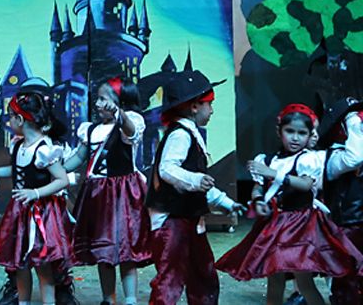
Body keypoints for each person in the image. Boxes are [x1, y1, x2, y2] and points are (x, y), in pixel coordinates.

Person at [216, 103, 362, 305]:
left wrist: (274, 174)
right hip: (274, 225)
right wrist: (258, 201)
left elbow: (305, 184)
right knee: (274, 280)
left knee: (304, 281)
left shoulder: (308, 159)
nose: (295, 138)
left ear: (310, 136)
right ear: (279, 131)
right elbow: (259, 187)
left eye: (301, 133)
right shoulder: (267, 160)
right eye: (290, 131)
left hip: (300, 225)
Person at [144, 70, 245, 305]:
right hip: (172, 220)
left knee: (203, 273)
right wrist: (195, 180)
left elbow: (200, 183)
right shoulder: (180, 135)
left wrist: (227, 203)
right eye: (209, 104)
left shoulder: (190, 133)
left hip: (189, 218)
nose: (212, 110)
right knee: (171, 276)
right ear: (194, 106)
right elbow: (167, 169)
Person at [0, 92, 72, 305]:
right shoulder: (18, 146)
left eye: (11, 117)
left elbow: (62, 180)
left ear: (21, 119)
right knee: (21, 263)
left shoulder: (45, 150)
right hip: (20, 212)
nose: (9, 121)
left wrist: (35, 193)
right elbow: (14, 170)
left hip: (41, 213)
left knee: (43, 264)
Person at [63, 77, 150, 305]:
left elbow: (130, 132)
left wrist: (120, 114)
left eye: (103, 99)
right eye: (98, 99)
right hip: (98, 195)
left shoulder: (131, 121)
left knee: (126, 247)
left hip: (124, 193)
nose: (98, 104)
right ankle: (108, 298)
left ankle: (130, 299)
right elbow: (79, 157)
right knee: (104, 249)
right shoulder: (90, 130)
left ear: (120, 101)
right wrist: (58, 168)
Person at [319, 97, 363, 305]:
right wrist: (352, 118)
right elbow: (354, 158)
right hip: (346, 228)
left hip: (357, 226)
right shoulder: (333, 157)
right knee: (347, 281)